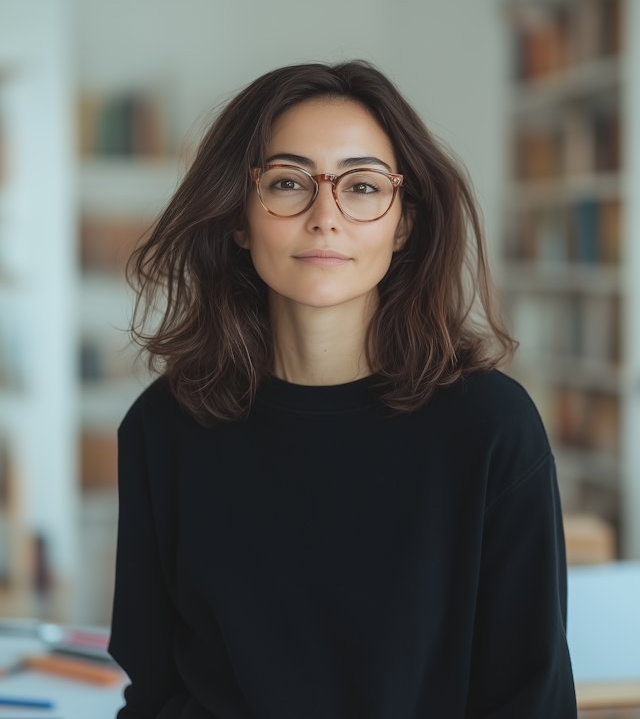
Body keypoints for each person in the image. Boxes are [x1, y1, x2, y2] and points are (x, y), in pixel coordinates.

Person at [108, 60, 578, 719]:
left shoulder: (491, 427)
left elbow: (530, 700)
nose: (325, 215)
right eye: (287, 182)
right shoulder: (163, 428)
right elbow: (153, 690)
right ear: (240, 218)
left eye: (361, 186)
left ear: (404, 222)